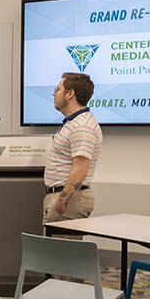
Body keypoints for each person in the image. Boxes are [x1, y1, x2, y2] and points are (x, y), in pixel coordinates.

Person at [43, 72, 102, 227]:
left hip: (69, 201)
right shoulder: (72, 123)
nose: (53, 93)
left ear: (70, 94)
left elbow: (81, 170)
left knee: (61, 251)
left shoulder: (82, 126)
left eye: (58, 89)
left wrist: (62, 201)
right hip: (63, 198)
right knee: (52, 250)